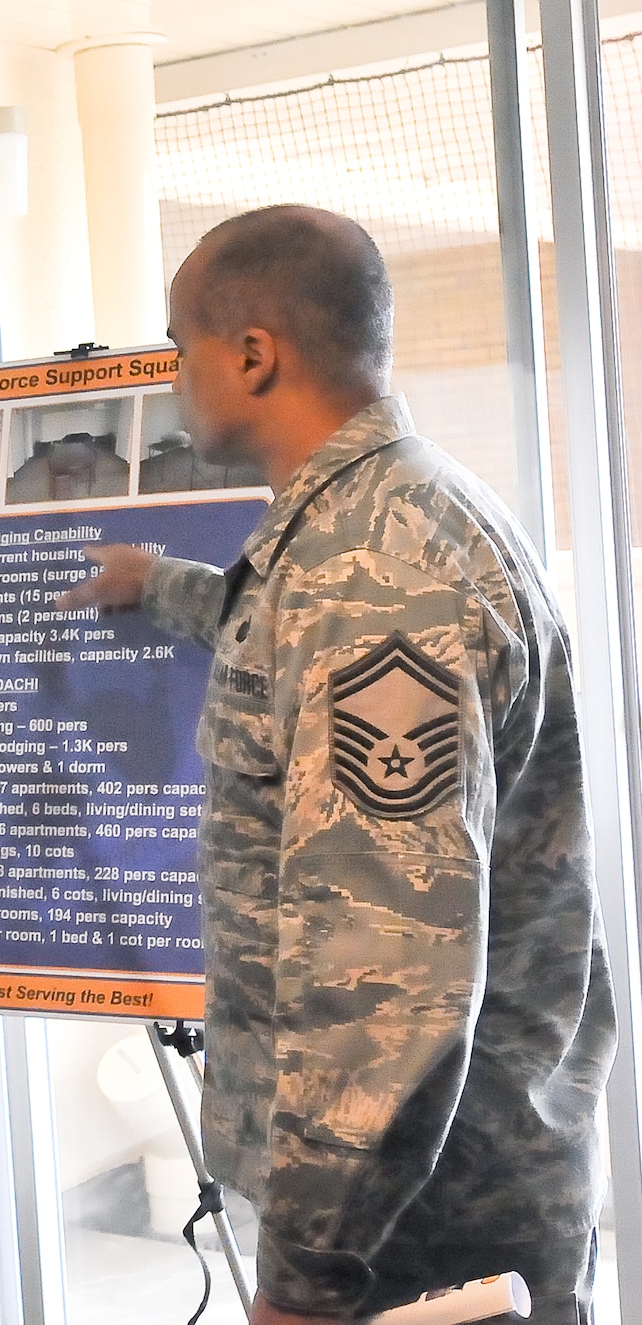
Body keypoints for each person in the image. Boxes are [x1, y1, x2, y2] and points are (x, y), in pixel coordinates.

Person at [63, 205, 614, 1324]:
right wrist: (161, 586)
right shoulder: (374, 531)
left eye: (180, 348)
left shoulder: (378, 577)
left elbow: (382, 986)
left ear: (251, 354)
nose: (174, 377)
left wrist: (309, 1276)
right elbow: (288, 655)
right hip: (437, 1193)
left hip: (421, 1233)